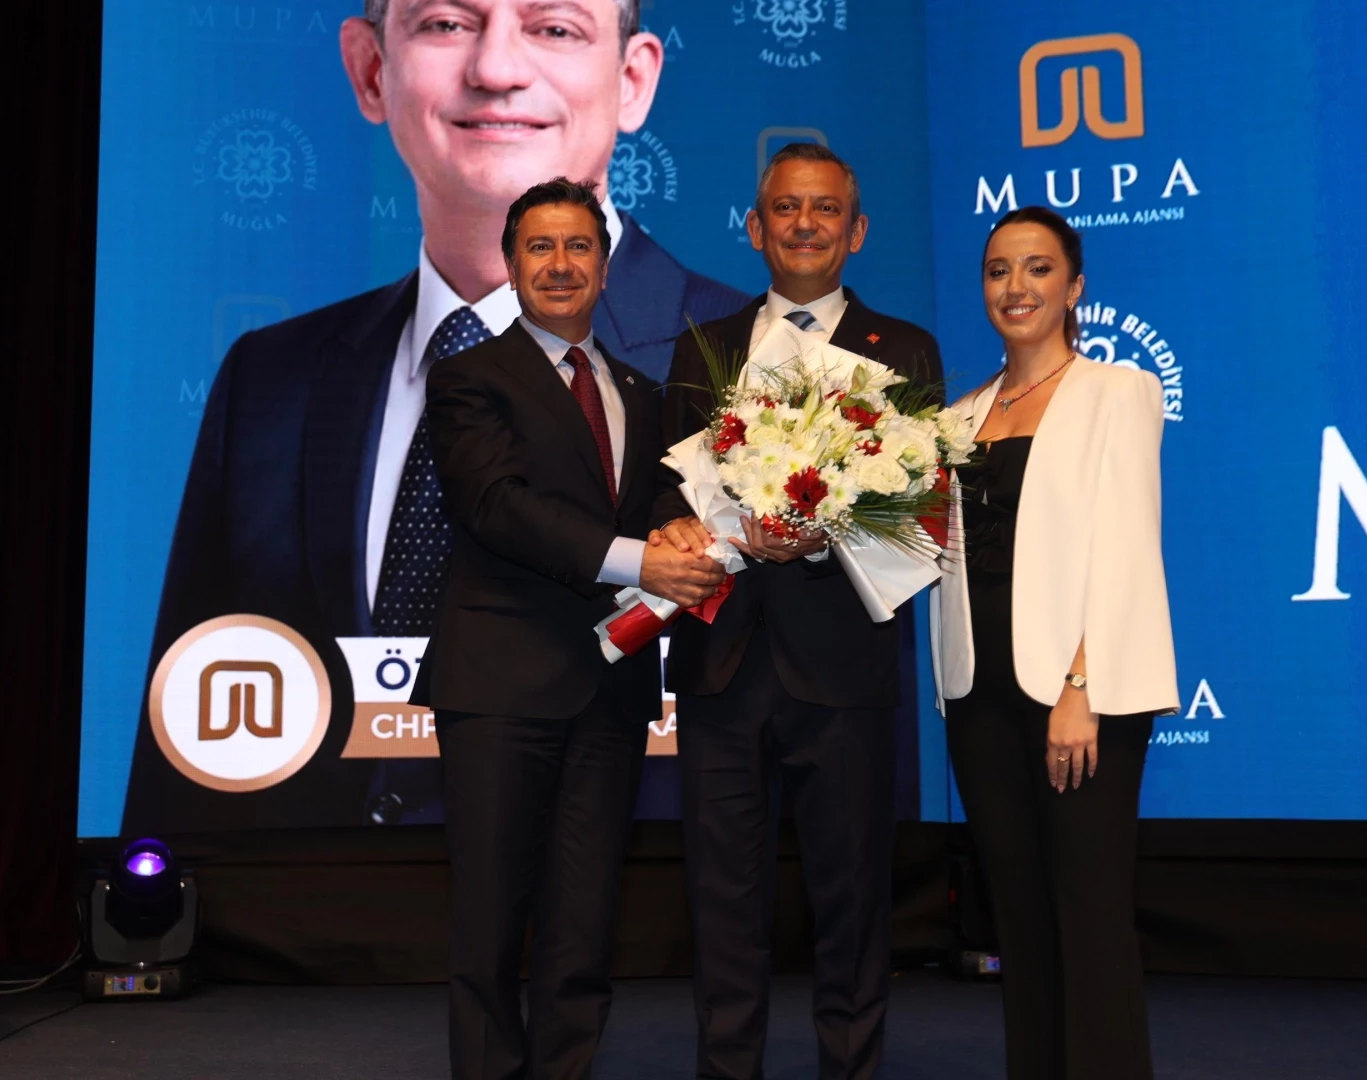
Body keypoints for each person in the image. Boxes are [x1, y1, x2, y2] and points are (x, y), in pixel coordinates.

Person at [122, 0, 748, 834]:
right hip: (313, 906)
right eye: (448, 24)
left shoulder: (746, 359)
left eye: (554, 28)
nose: (496, 69)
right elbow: (190, 730)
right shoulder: (270, 379)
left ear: (632, 79)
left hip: (635, 889)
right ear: (370, 69)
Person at [412, 177, 726, 1080]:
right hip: (499, 688)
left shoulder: (639, 389)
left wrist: (680, 530)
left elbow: (657, 503)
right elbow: (496, 506)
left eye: (578, 246)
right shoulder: (468, 376)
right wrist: (639, 561)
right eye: (540, 247)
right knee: (489, 923)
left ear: (606, 265)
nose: (560, 264)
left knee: (584, 925)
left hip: (609, 692)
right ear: (511, 266)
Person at [653, 143, 943, 1080]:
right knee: (721, 903)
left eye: (824, 209)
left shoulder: (903, 350)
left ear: (855, 231)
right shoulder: (702, 348)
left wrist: (821, 534)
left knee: (851, 899)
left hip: (844, 668)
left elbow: (922, 512)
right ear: (754, 227)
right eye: (785, 207)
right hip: (723, 666)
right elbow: (665, 493)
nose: (804, 224)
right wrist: (686, 527)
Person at [929, 206, 1179, 1080]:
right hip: (978, 693)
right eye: (998, 269)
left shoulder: (1117, 391)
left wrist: (1082, 685)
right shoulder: (956, 418)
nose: (1015, 286)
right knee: (1021, 921)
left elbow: (1126, 545)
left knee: (1090, 914)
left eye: (1037, 268)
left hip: (1078, 694)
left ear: (1074, 287)